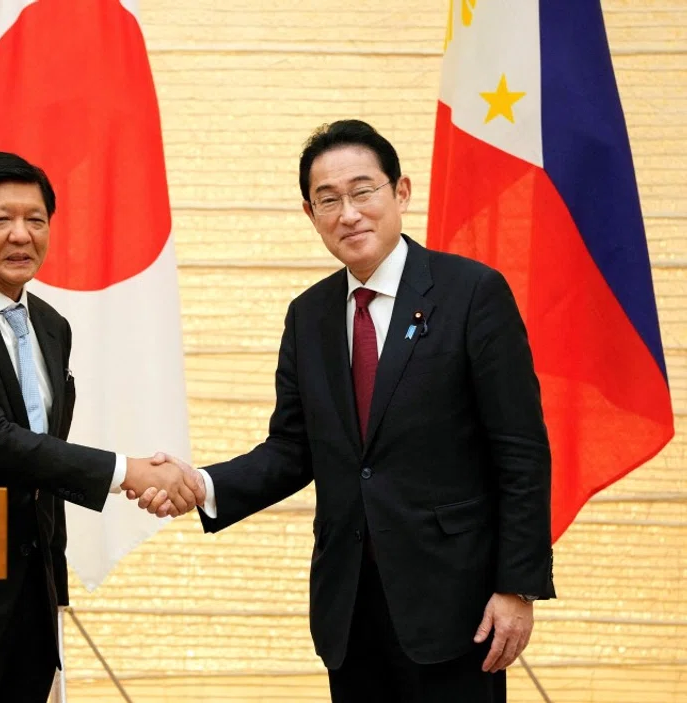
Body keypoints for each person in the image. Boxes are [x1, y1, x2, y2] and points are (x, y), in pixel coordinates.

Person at [137, 120, 555, 702]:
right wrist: (201, 484)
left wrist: (519, 586)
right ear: (310, 215)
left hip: (456, 603)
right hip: (350, 605)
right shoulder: (308, 316)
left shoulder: (471, 294)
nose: (348, 213)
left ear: (400, 192)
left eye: (363, 191)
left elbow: (521, 450)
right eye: (327, 200)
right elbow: (291, 450)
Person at [0, 151, 201, 703]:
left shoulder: (50, 326)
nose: (21, 235)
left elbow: (41, 452)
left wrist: (53, 587)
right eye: (1, 220)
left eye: (36, 220)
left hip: (30, 602)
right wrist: (127, 473)